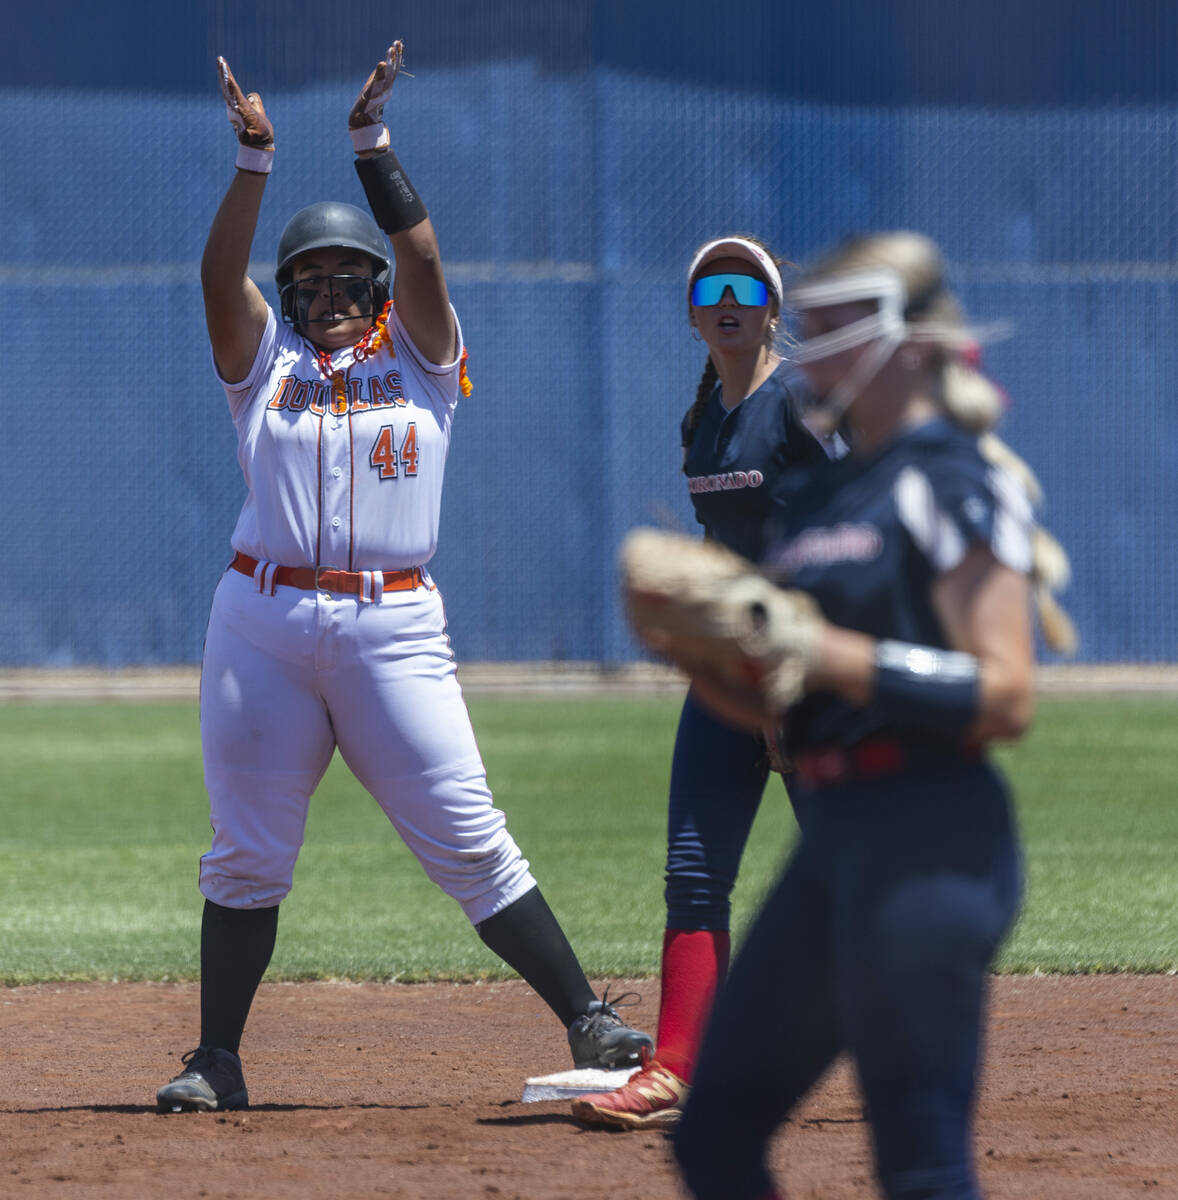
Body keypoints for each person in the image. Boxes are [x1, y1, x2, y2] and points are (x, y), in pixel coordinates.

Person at [155, 44, 651, 1114]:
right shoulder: (267, 371)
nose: (326, 292)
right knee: (245, 854)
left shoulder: (420, 359)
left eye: (344, 278)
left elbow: (422, 259)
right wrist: (253, 162)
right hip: (264, 621)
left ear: (372, 289)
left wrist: (370, 145)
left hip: (391, 626)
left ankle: (589, 1019)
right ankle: (216, 1060)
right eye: (307, 282)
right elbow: (213, 280)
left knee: (469, 835)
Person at [668, 231, 1074, 1199]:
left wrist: (826, 653)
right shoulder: (818, 491)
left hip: (929, 839)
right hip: (835, 842)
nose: (810, 344)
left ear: (911, 342)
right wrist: (697, 650)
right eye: (809, 323)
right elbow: (785, 686)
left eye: (838, 324)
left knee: (918, 1163)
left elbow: (1005, 694)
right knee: (712, 1137)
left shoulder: (956, 478)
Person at [572, 236, 830, 1131]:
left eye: (745, 285)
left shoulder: (799, 398)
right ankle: (675, 1069)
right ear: (692, 315)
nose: (727, 299)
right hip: (728, 670)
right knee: (693, 871)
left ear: (771, 305)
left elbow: (841, 536)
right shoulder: (703, 422)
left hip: (806, 667)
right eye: (710, 287)